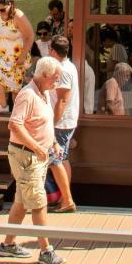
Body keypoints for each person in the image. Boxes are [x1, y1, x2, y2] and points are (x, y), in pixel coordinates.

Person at [0, 56, 65, 264]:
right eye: (55, 78)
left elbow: (42, 123)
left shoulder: (44, 93)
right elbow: (14, 124)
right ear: (44, 76)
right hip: (27, 156)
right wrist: (37, 147)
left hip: (37, 155)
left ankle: (7, 244)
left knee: (21, 200)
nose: (57, 82)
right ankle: (46, 251)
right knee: (38, 202)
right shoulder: (27, 95)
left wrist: (52, 142)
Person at [0, 0, 33, 114]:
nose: (0, 12)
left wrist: (23, 56)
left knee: (15, 90)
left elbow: (30, 36)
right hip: (1, 54)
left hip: (17, 55)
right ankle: (3, 105)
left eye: (2, 9)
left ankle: (18, 115)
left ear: (10, 5)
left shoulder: (18, 16)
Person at [48, 35, 79, 214]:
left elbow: (61, 100)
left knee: (56, 160)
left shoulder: (63, 71)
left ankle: (67, 199)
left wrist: (52, 124)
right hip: (67, 120)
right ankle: (63, 198)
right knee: (62, 158)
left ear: (53, 51)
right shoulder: (70, 66)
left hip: (61, 122)